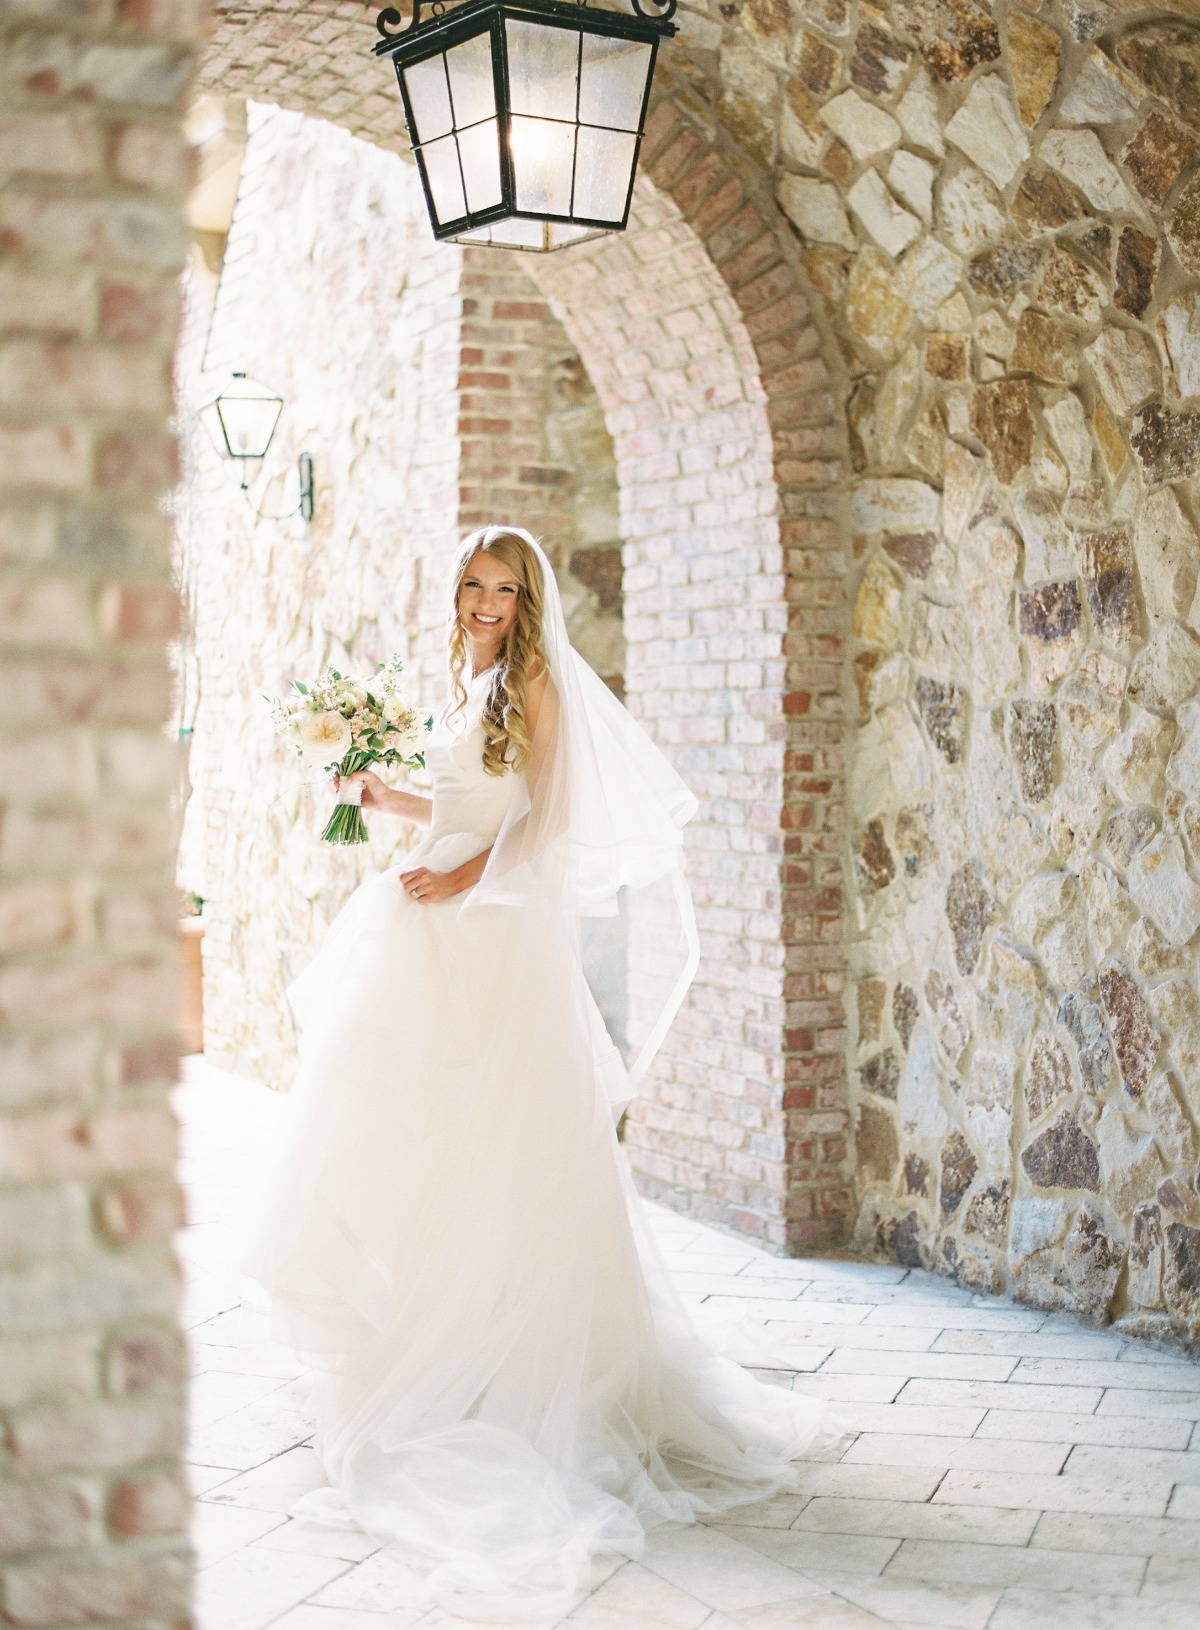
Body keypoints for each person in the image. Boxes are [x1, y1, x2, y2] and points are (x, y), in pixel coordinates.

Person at [245, 527, 839, 1615]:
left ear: (527, 601)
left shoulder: (540, 688)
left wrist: (469, 868)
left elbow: (547, 819)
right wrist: (388, 802)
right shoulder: (462, 681)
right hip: (430, 916)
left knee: (502, 1135)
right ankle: (435, 1341)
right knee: (418, 1133)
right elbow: (476, 798)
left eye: (503, 588)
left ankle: (516, 1364)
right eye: (473, 584)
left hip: (496, 934)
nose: (485, 602)